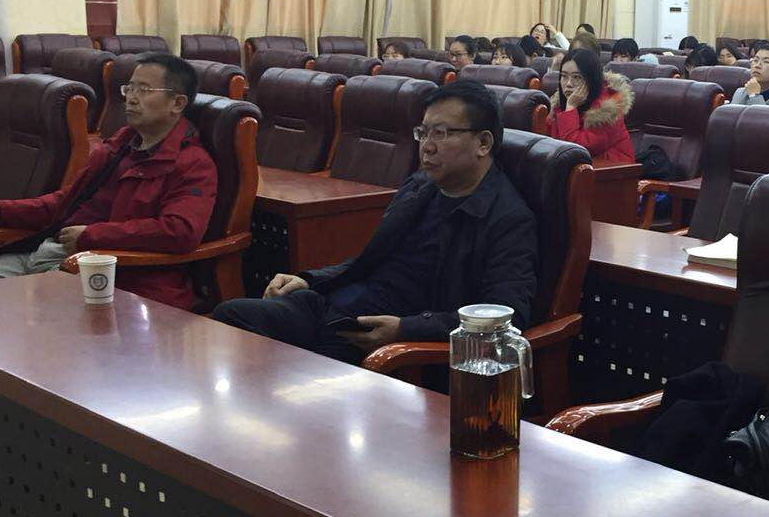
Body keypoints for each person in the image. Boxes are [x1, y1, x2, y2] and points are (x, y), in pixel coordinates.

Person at [213, 81, 536, 363]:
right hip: (334, 306)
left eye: (441, 133)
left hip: (378, 334)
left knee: (299, 378)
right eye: (423, 132)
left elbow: (504, 315)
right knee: (231, 317)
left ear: (483, 143)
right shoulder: (420, 186)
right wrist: (310, 280)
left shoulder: (508, 219)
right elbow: (369, 260)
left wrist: (405, 329)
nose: (427, 146)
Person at [0, 53, 217, 310]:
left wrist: (91, 236)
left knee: (8, 311)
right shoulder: (119, 146)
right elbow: (66, 202)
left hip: (109, 274)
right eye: (130, 88)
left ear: (177, 103)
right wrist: (0, 210)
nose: (131, 98)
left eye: (144, 90)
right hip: (48, 251)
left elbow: (179, 232)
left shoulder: (192, 164)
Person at [549, 48, 634, 165]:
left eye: (577, 77)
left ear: (591, 79)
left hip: (613, 171)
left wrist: (570, 108)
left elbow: (574, 151)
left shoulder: (607, 111)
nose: (568, 84)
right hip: (579, 170)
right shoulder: (558, 106)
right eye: (564, 76)